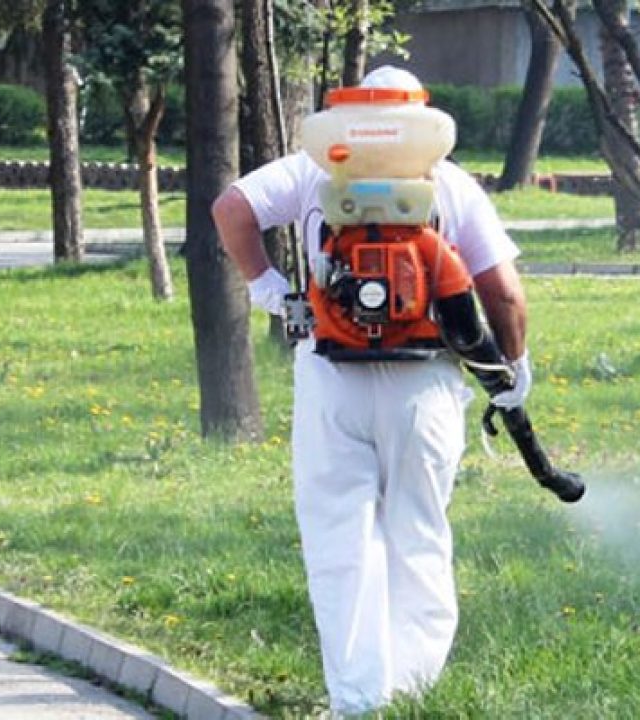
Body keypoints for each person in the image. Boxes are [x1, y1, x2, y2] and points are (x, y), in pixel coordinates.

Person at [211, 65, 532, 715]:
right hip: (425, 383)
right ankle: (410, 696)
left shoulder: (313, 169)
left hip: (332, 375)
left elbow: (231, 208)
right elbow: (501, 293)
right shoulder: (448, 182)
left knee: (340, 540)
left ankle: (358, 701)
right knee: (419, 534)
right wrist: (513, 368)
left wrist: (270, 288)